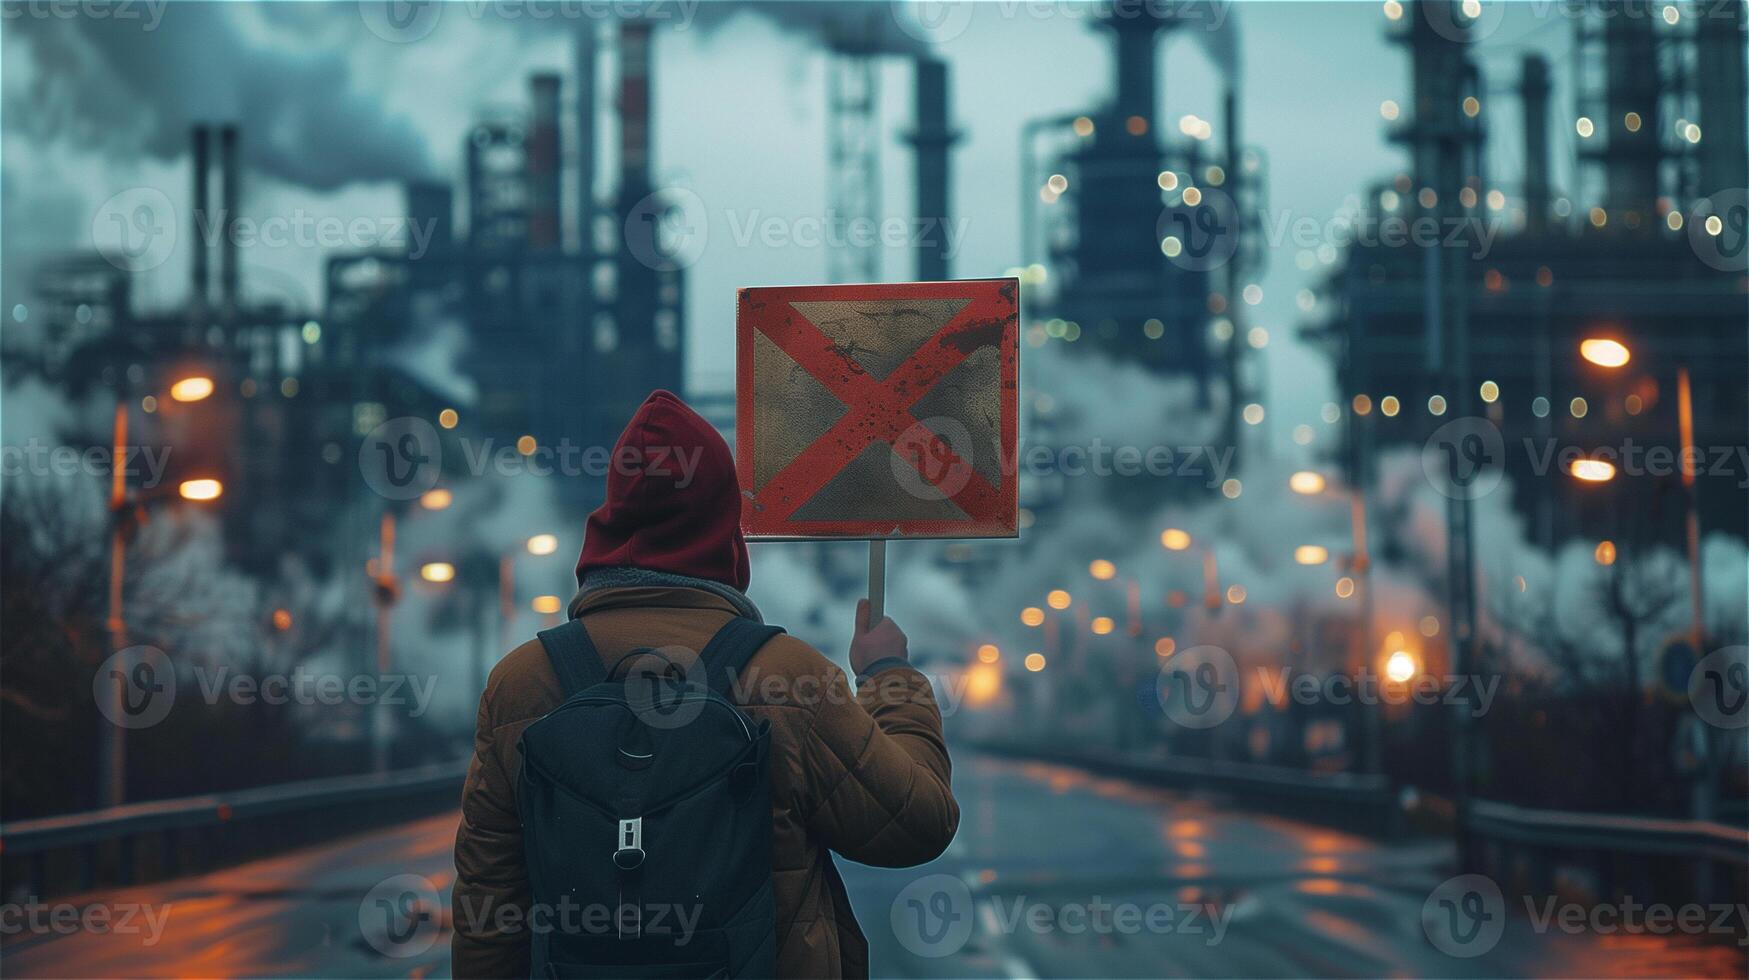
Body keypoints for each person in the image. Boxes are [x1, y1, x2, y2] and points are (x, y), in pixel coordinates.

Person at [452, 389, 960, 978]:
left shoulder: (521, 682)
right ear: (726, 530)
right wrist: (887, 676)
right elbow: (918, 824)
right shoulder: (787, 678)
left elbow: (487, 907)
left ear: (610, 518)